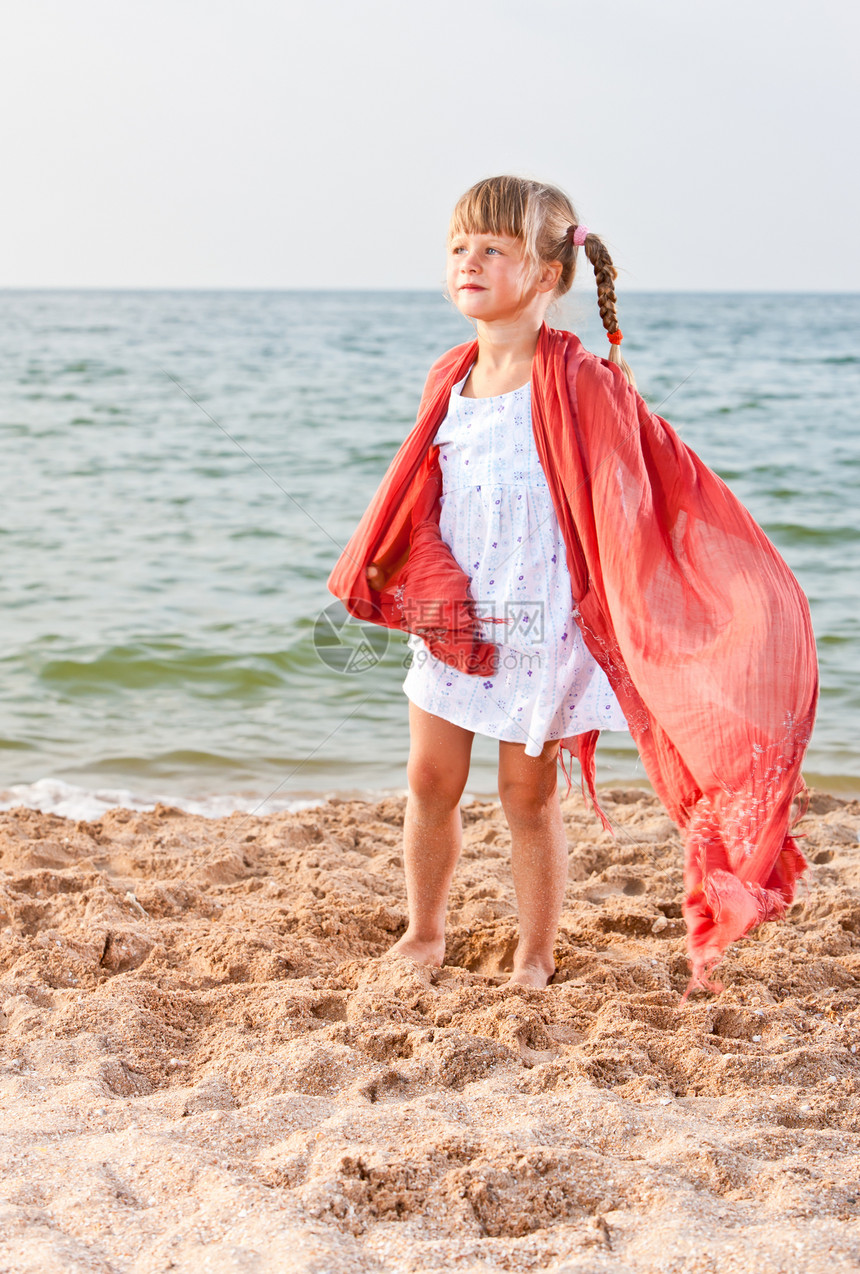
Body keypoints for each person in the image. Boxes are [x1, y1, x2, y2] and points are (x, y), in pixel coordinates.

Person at [327, 175, 818, 995]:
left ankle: (534, 952)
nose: (468, 262)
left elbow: (650, 486)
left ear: (548, 276)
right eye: (457, 248)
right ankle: (424, 931)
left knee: (525, 793)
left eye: (493, 249)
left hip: (541, 619)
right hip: (456, 610)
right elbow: (424, 492)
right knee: (429, 778)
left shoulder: (581, 380)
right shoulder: (448, 377)